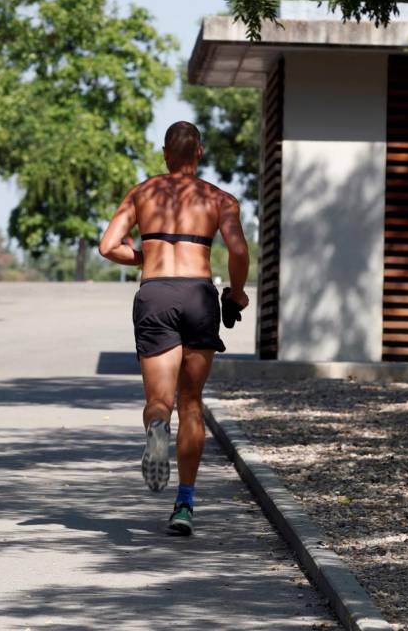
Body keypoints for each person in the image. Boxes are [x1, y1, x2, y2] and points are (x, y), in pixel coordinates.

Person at [98, 121, 249, 536]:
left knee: (159, 400)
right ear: (199, 152)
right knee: (193, 403)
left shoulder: (143, 193)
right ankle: (184, 503)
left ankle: (156, 427)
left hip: (156, 295)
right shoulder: (221, 200)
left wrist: (147, 257)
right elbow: (237, 249)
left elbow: (107, 245)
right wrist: (236, 293)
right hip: (199, 296)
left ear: (165, 153)